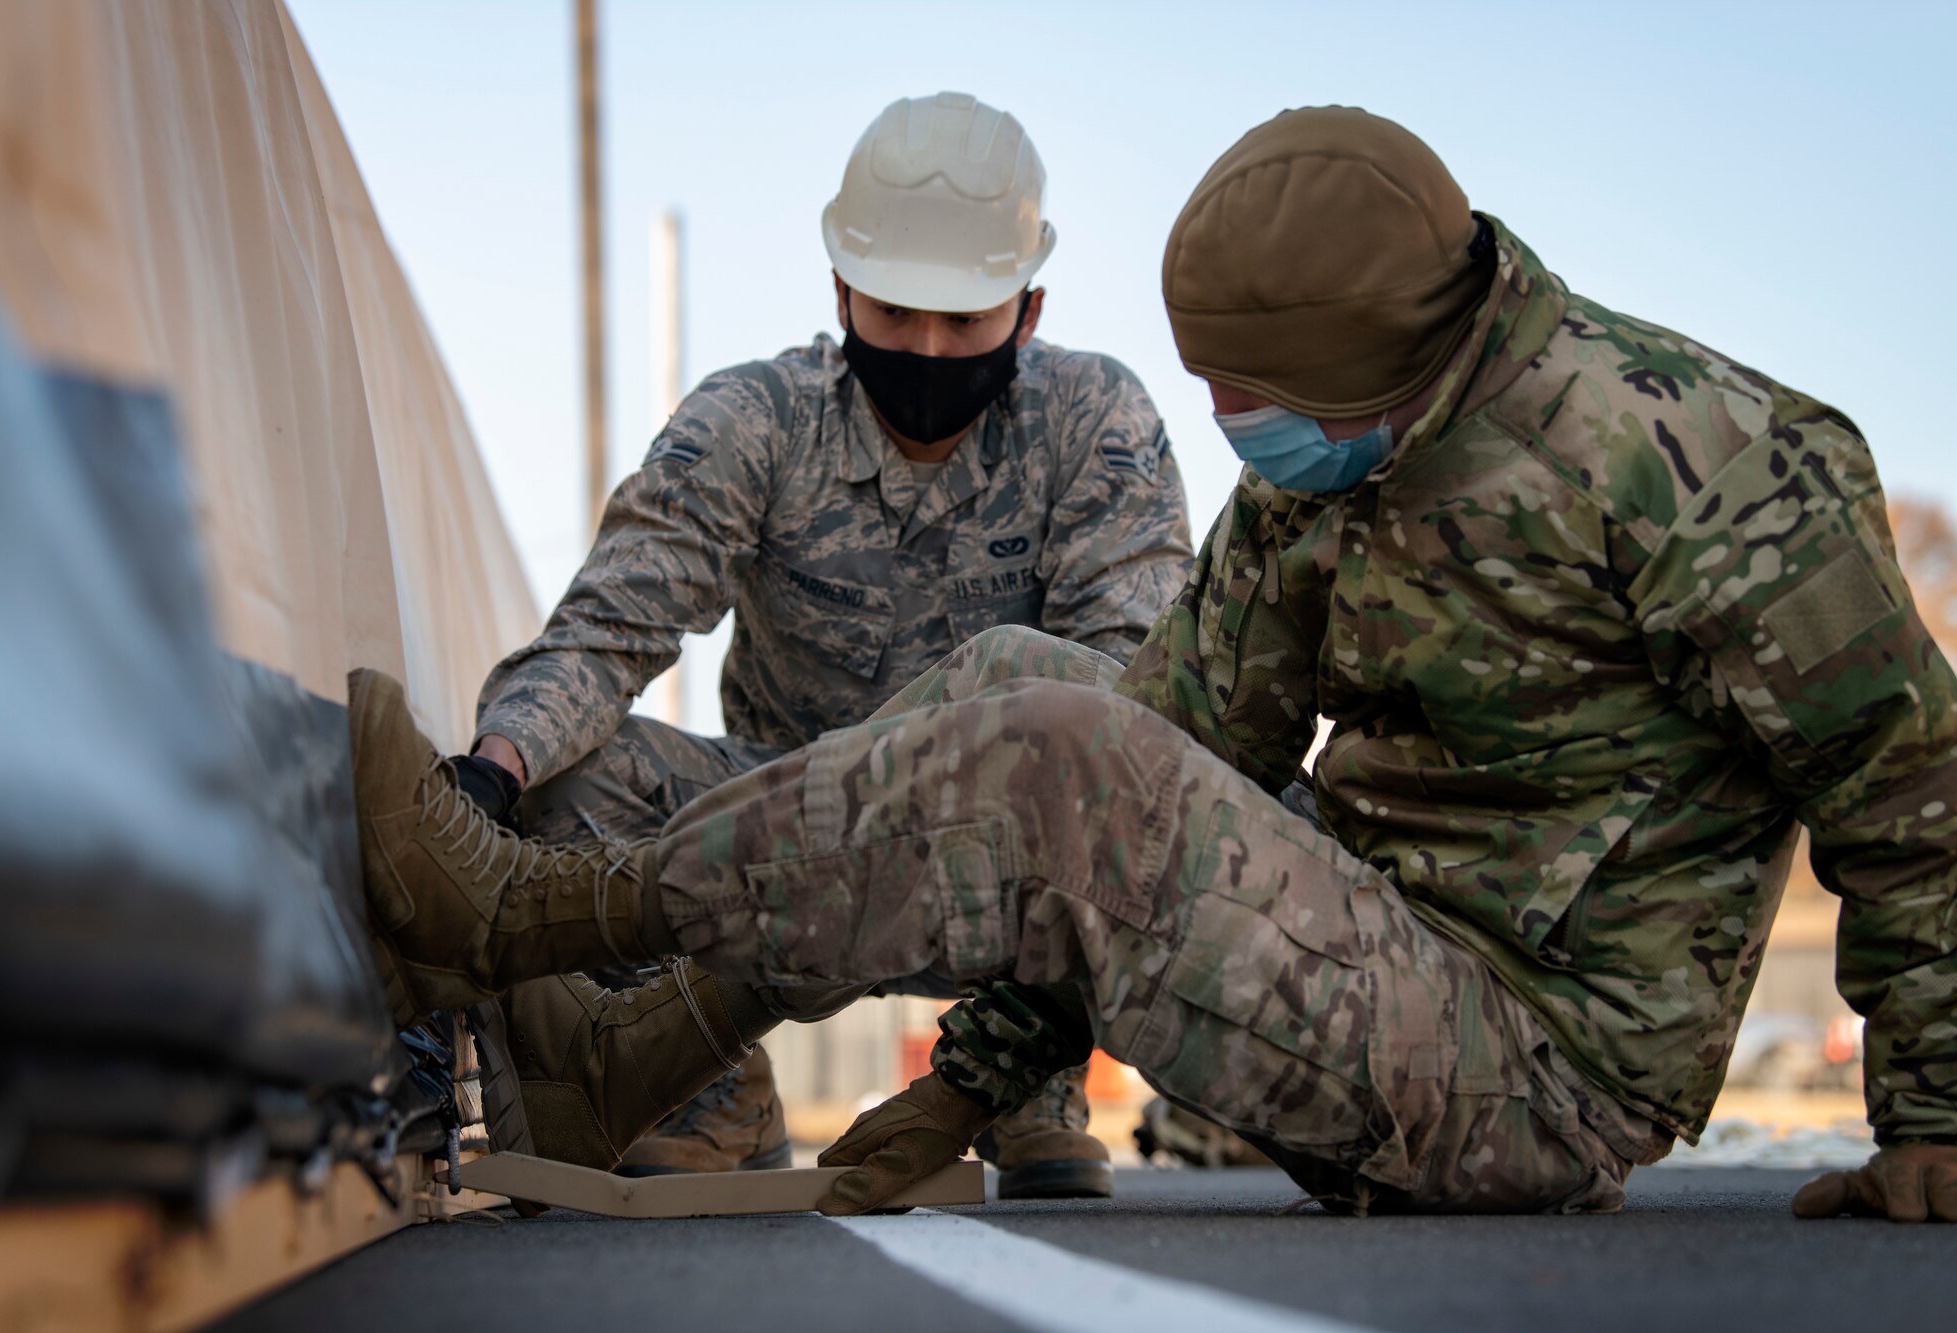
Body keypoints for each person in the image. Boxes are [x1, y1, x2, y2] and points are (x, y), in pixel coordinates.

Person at [350, 105, 1955, 1221]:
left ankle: (507, 923)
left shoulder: (1704, 464)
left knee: (1052, 728)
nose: (1228, 428)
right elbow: (1178, 738)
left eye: (1257, 394)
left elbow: (1910, 791)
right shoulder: (1323, 474)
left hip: (1536, 1075)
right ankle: (646, 1043)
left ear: (1379, 370)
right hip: (1367, 958)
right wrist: (970, 1083)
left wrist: (1939, 1122)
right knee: (1019, 680)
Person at [448, 91, 1190, 1195]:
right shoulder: (755, 420)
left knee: (1132, 769)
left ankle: (1022, 1073)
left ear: (1027, 312)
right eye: (893, 315)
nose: (927, 349)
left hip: (999, 860)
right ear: (840, 288)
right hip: (780, 834)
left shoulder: (1096, 422)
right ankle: (706, 1089)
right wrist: (492, 768)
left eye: (965, 323)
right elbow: (610, 631)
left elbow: (1129, 708)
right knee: (575, 781)